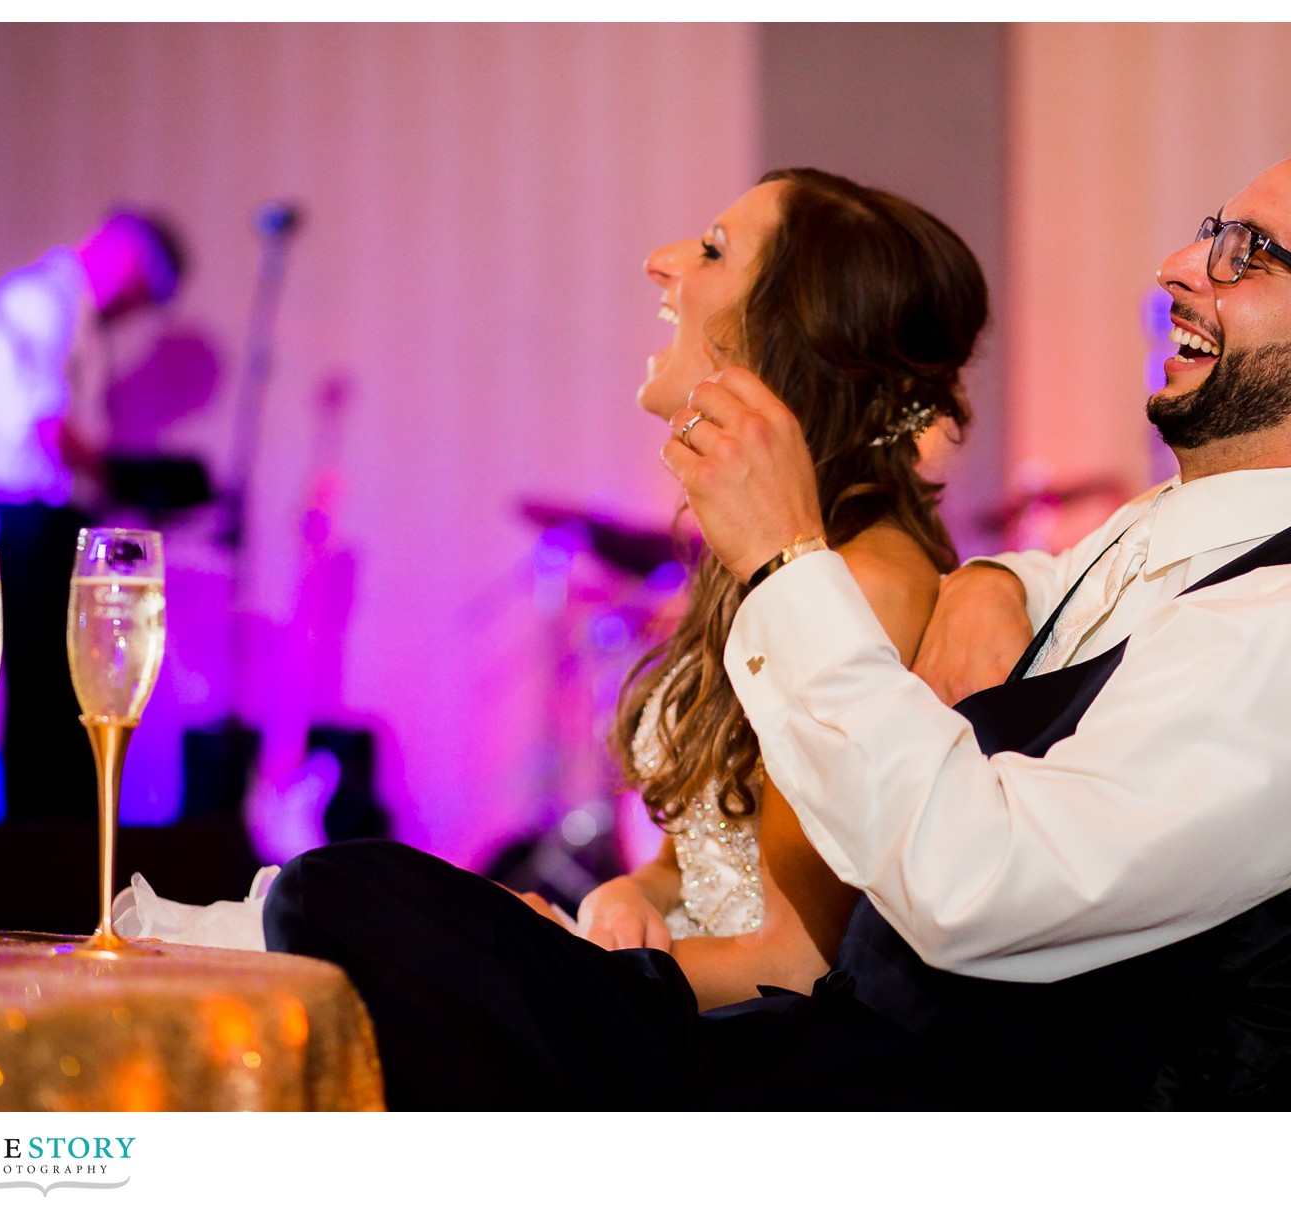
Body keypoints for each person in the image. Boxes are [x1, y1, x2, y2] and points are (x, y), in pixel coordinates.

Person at [662, 121, 1291, 1108]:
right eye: (1210, 233)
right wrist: (992, 578)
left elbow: (971, 885)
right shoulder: (1188, 528)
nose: (1177, 268)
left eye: (1249, 253)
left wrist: (782, 560)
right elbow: (1083, 599)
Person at [264, 168, 991, 1106]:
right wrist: (632, 898)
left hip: (751, 1052)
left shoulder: (860, 586)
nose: (662, 262)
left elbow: (802, 960)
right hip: (676, 1001)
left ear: (798, 330)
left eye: (714, 251)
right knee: (322, 906)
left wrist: (562, 962)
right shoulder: (764, 555)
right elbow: (700, 859)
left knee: (336, 894)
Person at [0, 209, 186, 821]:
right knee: (44, 698)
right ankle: (38, 856)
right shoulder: (45, 304)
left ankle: (56, 850)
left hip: (44, 521)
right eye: (139, 294)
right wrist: (126, 478)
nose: (131, 310)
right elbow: (50, 427)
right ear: (129, 263)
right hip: (29, 525)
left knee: (61, 698)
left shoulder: (72, 316)